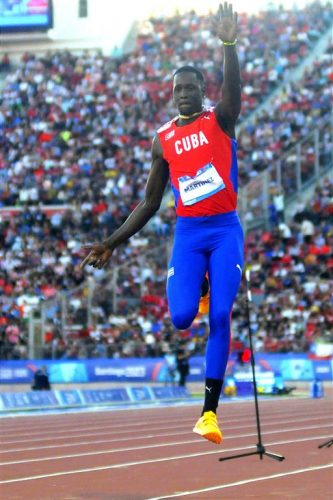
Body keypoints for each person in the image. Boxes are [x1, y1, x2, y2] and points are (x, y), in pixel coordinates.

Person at [80, 3, 244, 445]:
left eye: (191, 87)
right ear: (172, 95)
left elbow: (235, 95)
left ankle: (208, 414)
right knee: (181, 318)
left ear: (203, 90)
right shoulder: (163, 140)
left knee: (223, 317)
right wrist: (112, 241)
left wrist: (229, 44)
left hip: (225, 230)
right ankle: (202, 288)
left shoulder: (220, 120)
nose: (184, 94)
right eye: (178, 90)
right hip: (189, 236)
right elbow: (150, 201)